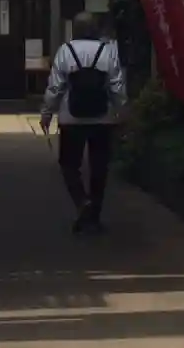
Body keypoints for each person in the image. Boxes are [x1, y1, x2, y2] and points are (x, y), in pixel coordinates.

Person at [39, 12, 126, 232]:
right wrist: (122, 112)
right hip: (102, 118)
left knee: (69, 164)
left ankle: (81, 201)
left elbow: (55, 87)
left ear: (74, 30)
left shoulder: (65, 51)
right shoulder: (108, 51)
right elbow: (116, 86)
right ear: (95, 29)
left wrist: (47, 113)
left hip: (71, 118)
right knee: (99, 167)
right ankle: (94, 216)